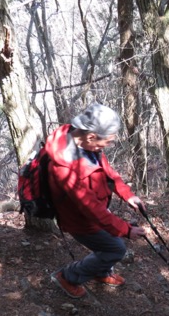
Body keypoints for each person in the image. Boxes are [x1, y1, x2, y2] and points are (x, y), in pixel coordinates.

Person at [45, 102, 146, 299]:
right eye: (107, 142)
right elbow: (90, 208)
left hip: (95, 211)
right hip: (80, 220)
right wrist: (126, 230)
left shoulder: (83, 141)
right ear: (91, 136)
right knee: (116, 249)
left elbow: (108, 172)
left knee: (112, 241)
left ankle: (100, 272)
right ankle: (68, 277)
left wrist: (127, 195)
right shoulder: (64, 167)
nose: (107, 146)